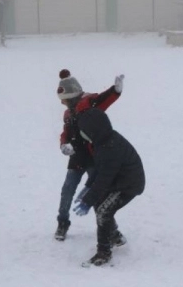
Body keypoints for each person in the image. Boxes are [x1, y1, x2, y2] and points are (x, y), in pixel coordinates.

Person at [54, 69, 123, 241]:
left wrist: (115, 90)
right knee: (67, 191)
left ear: (73, 96)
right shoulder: (68, 113)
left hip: (95, 158)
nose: (62, 104)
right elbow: (66, 133)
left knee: (98, 194)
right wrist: (64, 144)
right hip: (77, 158)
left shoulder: (90, 103)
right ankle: (62, 222)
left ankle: (112, 231)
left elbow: (104, 99)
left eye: (64, 100)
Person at [73, 108, 145, 267]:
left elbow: (104, 178)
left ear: (93, 130)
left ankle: (103, 253)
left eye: (84, 131)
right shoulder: (102, 141)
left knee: (103, 211)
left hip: (128, 184)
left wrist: (88, 200)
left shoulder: (110, 147)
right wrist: (87, 188)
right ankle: (114, 236)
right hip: (117, 180)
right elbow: (99, 169)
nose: (82, 134)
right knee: (100, 205)